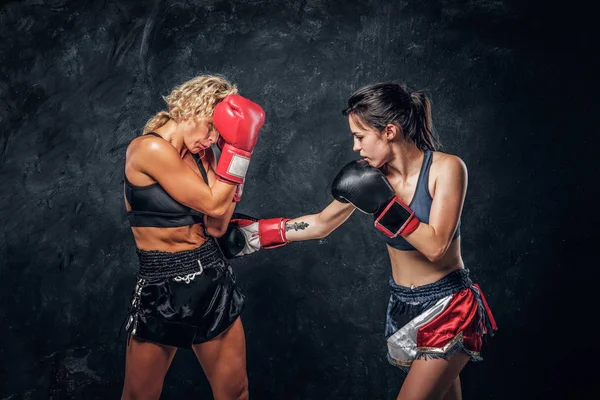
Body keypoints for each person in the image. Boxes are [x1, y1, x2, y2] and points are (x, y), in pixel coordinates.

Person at [218, 82, 497, 400]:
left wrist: (386, 205)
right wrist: (253, 236)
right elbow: (322, 223)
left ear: (389, 131)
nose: (355, 147)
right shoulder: (370, 176)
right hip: (404, 306)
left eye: (360, 136)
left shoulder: (446, 169)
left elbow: (436, 246)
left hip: (449, 307)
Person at [121, 74, 265, 400]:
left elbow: (217, 224)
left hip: (211, 280)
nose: (213, 138)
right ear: (191, 109)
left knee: (236, 392)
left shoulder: (205, 156)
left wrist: (230, 161)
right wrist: (240, 153)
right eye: (211, 127)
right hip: (164, 285)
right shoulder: (148, 149)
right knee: (139, 397)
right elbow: (214, 201)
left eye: (221, 133)